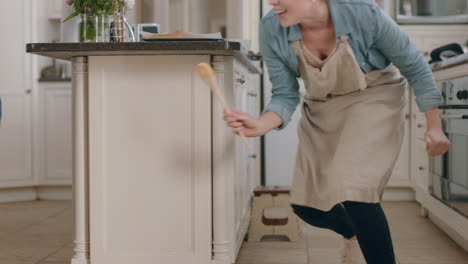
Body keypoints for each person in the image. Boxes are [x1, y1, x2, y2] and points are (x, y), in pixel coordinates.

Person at [223, 0, 451, 263]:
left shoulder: (363, 13)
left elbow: (415, 67)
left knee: (356, 194)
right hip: (323, 108)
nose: (273, 1)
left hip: (373, 99)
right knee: (306, 207)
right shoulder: (271, 28)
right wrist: (260, 124)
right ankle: (353, 232)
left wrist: (434, 126)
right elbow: (285, 94)